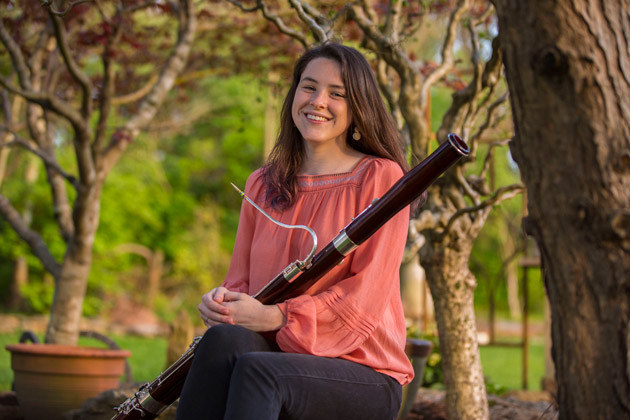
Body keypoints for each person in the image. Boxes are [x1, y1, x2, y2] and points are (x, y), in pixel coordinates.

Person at [175, 41, 414, 420]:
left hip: (364, 370)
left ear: (358, 108)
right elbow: (241, 283)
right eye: (309, 86)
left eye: (337, 94)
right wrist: (223, 305)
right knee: (221, 340)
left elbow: (364, 299)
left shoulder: (380, 178)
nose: (318, 101)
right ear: (294, 94)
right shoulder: (261, 184)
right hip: (280, 354)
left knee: (258, 371)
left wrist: (277, 317)